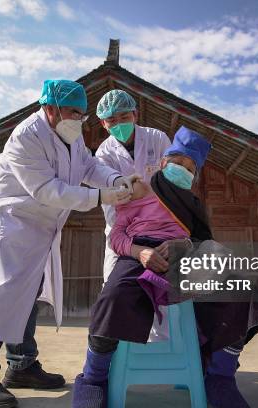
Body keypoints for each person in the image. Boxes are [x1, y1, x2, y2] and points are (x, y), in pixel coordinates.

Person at [0, 79, 139, 408]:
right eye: (73, 112)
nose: (79, 119)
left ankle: (21, 366)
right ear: (50, 108)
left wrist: (115, 179)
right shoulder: (25, 137)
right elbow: (47, 190)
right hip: (14, 224)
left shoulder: (70, 134)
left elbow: (89, 165)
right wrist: (102, 196)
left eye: (83, 114)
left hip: (43, 227)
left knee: (28, 295)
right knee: (1, 295)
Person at [72, 126, 258, 408]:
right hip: (140, 253)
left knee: (238, 288)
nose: (181, 169)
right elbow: (117, 236)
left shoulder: (191, 202)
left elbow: (203, 240)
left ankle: (220, 377)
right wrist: (140, 253)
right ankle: (93, 378)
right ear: (163, 162)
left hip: (184, 254)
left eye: (189, 167)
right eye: (177, 162)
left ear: (194, 175)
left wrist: (185, 245)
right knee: (113, 296)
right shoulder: (138, 191)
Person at [94, 89, 172, 341]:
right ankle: (115, 352)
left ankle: (162, 349)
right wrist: (133, 247)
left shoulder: (157, 139)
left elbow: (173, 185)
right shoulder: (103, 155)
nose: (118, 124)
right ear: (103, 123)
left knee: (164, 292)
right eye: (111, 120)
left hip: (163, 228)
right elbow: (110, 204)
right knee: (114, 289)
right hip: (124, 231)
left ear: (135, 114)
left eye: (123, 116)